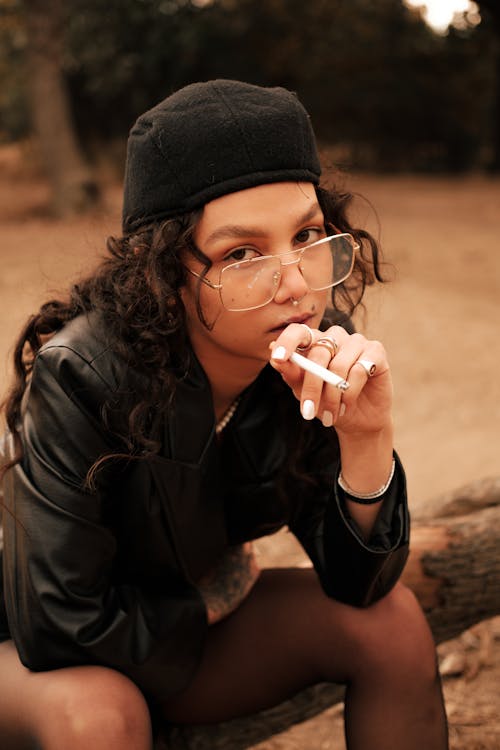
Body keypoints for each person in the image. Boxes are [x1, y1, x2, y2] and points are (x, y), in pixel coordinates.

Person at [0, 79, 448, 749]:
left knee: (391, 625)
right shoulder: (83, 375)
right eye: (243, 253)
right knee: (99, 713)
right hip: (31, 655)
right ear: (163, 272)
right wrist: (216, 598)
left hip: (161, 637)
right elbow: (57, 623)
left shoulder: (309, 353)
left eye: (306, 235)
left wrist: (366, 439)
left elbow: (364, 585)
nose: (295, 283)